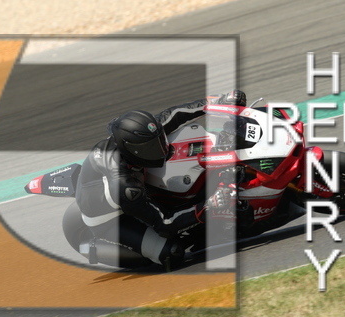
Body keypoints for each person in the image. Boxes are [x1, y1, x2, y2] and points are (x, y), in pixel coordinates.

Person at [73, 90, 247, 270]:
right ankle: (98, 247)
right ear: (133, 151)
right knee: (172, 253)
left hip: (126, 183)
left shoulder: (139, 136)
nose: (162, 149)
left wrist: (219, 102)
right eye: (151, 148)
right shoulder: (125, 187)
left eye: (159, 140)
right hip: (111, 219)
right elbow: (165, 222)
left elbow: (175, 114)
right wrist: (208, 205)